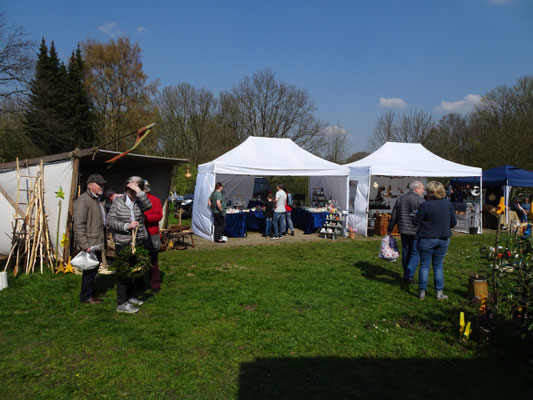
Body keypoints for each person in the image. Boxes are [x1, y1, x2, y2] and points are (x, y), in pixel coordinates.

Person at [107, 176, 152, 313]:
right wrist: (127, 225)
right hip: (123, 241)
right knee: (123, 272)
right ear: (126, 188)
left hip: (137, 240)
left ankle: (130, 296)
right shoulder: (118, 202)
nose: (132, 192)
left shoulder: (139, 201)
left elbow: (148, 206)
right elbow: (110, 221)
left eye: (135, 188)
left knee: (134, 270)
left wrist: (139, 191)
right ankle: (121, 303)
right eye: (130, 188)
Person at [414, 181, 457, 300]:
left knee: (424, 265)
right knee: (438, 266)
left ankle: (422, 292)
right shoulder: (448, 204)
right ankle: (439, 292)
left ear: (430, 192)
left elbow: (416, 221)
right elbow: (453, 222)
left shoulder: (425, 205)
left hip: (426, 237)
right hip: (443, 237)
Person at [73, 174, 107, 304]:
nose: (101, 186)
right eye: (99, 184)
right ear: (90, 185)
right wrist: (85, 245)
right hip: (90, 242)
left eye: (102, 184)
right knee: (89, 270)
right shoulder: (83, 200)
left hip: (97, 240)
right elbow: (79, 225)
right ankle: (86, 296)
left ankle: (91, 291)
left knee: (94, 268)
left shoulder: (99, 200)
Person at [387, 180, 425, 284]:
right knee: (415, 253)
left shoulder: (401, 199)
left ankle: (407, 273)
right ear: (416, 189)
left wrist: (390, 228)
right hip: (416, 230)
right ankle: (409, 275)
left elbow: (394, 216)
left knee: (406, 251)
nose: (423, 191)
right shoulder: (421, 201)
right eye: (422, 189)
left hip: (403, 229)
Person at [143, 180, 163, 294]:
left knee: (153, 261)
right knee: (137, 259)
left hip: (152, 233)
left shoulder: (154, 200)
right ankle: (138, 283)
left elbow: (158, 215)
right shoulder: (133, 200)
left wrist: (144, 218)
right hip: (138, 234)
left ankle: (155, 285)